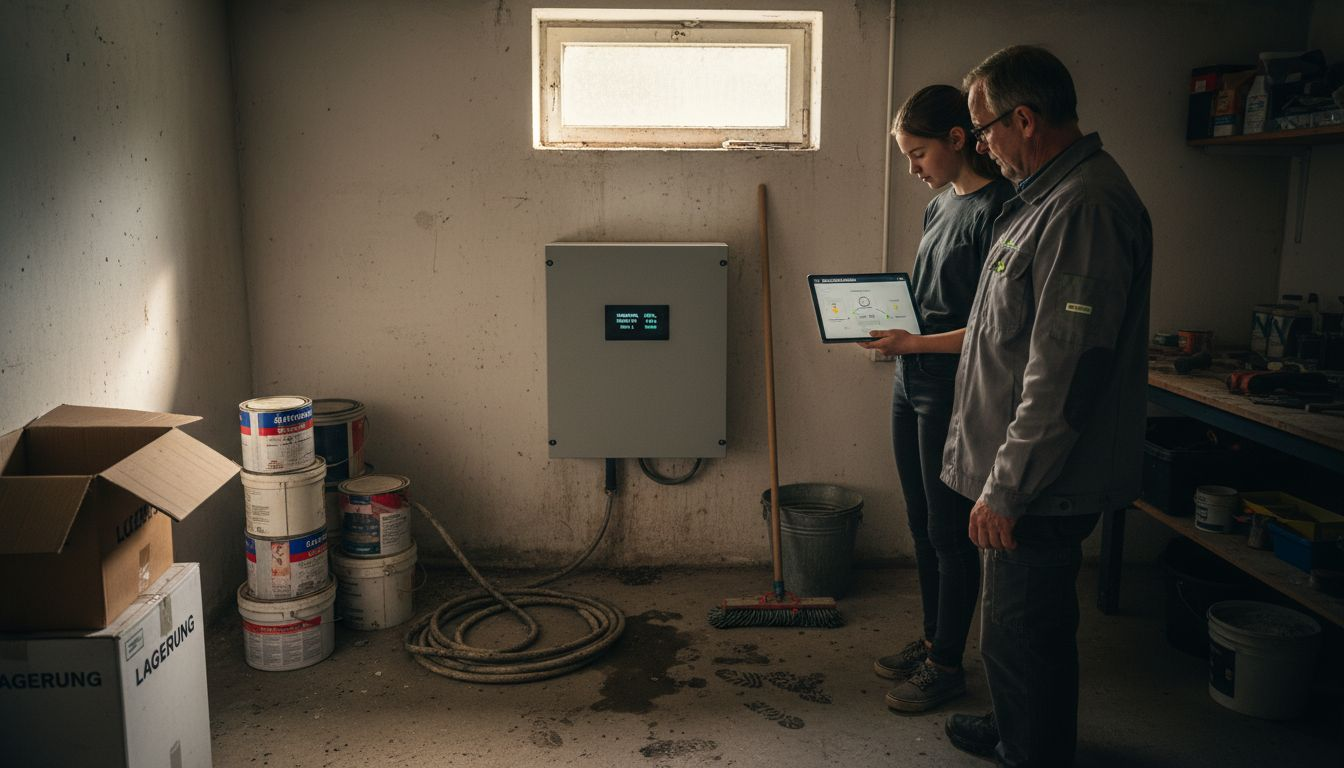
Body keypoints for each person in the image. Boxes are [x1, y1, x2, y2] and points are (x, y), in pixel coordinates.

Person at [937, 46, 1152, 766]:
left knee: (1026, 626)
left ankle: (1032, 750)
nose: (983, 145)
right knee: (1014, 625)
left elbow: (1065, 371)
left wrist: (1006, 487)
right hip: (1025, 474)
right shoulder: (1046, 200)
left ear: (1022, 119)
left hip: (1041, 483)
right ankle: (1014, 728)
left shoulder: (1084, 206)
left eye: (985, 128)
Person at [858, 85, 1013, 713]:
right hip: (912, 378)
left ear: (957, 139)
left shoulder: (999, 209)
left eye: (918, 154)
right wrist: (882, 327)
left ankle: (948, 665)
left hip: (953, 389)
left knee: (950, 532)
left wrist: (914, 342)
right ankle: (932, 640)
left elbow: (992, 326)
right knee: (923, 524)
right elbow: (925, 298)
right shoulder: (942, 204)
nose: (914, 169)